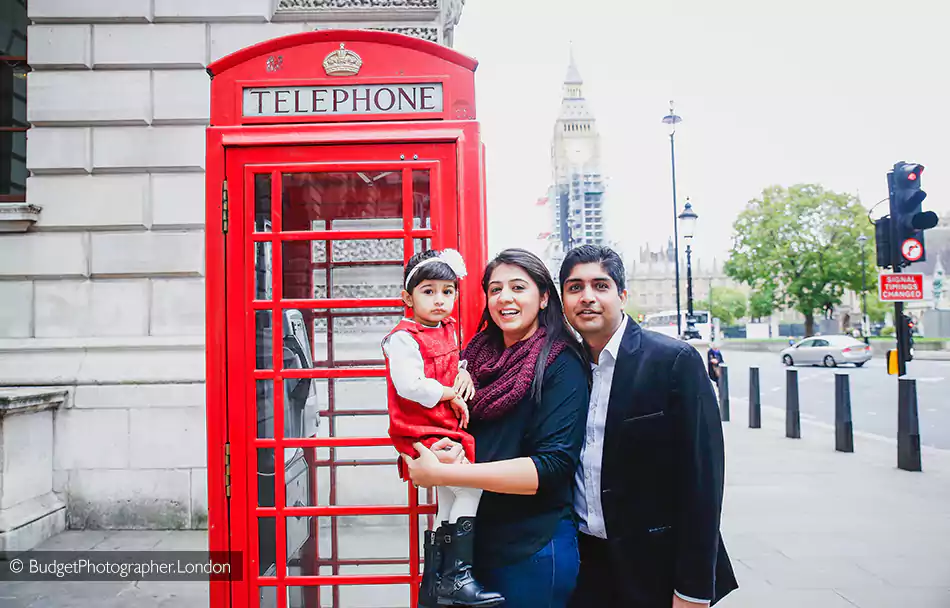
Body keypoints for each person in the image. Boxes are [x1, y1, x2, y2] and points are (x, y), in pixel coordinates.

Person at [403, 248, 590, 608]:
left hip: (530, 549)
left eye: (518, 288)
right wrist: (443, 449)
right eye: (494, 289)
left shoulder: (560, 364)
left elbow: (551, 467)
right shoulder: (471, 357)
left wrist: (448, 474)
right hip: (468, 552)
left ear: (544, 297)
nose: (504, 297)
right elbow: (447, 425)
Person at [559, 245, 738, 608]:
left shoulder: (674, 361)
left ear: (622, 295)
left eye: (600, 285)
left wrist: (693, 590)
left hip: (655, 566)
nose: (587, 297)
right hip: (585, 565)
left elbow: (703, 482)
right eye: (575, 287)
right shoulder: (565, 367)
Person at [381, 249, 504, 607]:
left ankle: (436, 579)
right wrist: (450, 392)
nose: (440, 300)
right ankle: (457, 576)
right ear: (408, 297)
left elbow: (452, 359)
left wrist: (463, 370)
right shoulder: (402, 338)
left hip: (445, 427)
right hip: (421, 430)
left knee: (450, 495)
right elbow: (410, 384)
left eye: (447, 291)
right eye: (428, 291)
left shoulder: (448, 328)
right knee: (470, 487)